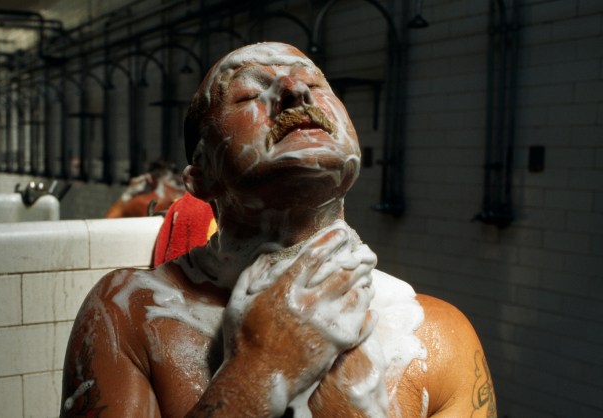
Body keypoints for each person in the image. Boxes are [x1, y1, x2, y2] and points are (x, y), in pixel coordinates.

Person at [61, 42, 496, 417]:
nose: (295, 90)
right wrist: (259, 370)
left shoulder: (438, 336)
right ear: (202, 178)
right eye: (249, 92)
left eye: (316, 83)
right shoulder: (126, 315)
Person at [105, 160, 185, 218]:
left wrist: (128, 194)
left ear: (149, 178)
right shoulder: (186, 197)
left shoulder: (142, 202)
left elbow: (109, 221)